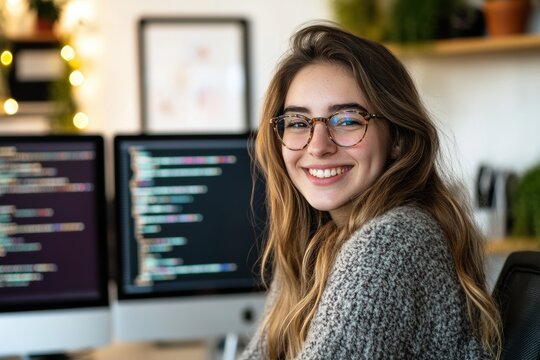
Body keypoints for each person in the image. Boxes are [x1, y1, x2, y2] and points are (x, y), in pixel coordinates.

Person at [240, 22, 501, 360]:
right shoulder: (318, 240)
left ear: (396, 137)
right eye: (298, 122)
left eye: (347, 120)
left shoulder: (391, 241)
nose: (318, 146)